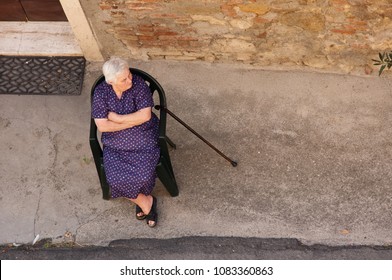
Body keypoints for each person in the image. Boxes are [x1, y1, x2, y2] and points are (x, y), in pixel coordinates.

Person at [92, 57, 159, 227]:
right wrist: (131, 121)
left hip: (143, 136)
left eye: (129, 75)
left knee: (143, 174)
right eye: (124, 79)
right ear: (111, 82)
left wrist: (118, 119)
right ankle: (145, 201)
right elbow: (102, 126)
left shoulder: (138, 85)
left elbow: (145, 116)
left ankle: (141, 200)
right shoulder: (101, 93)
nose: (130, 79)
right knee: (115, 180)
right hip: (115, 144)